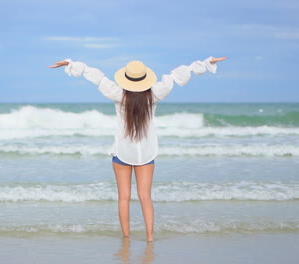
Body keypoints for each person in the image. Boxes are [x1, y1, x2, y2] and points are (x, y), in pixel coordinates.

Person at [48, 55, 228, 242]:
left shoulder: (118, 95)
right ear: (145, 78)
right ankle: (150, 237)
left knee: (123, 198)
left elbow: (98, 78)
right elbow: (175, 76)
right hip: (146, 153)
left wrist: (73, 65)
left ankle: (126, 237)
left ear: (126, 78)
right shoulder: (155, 94)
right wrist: (205, 64)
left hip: (122, 153)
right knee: (146, 197)